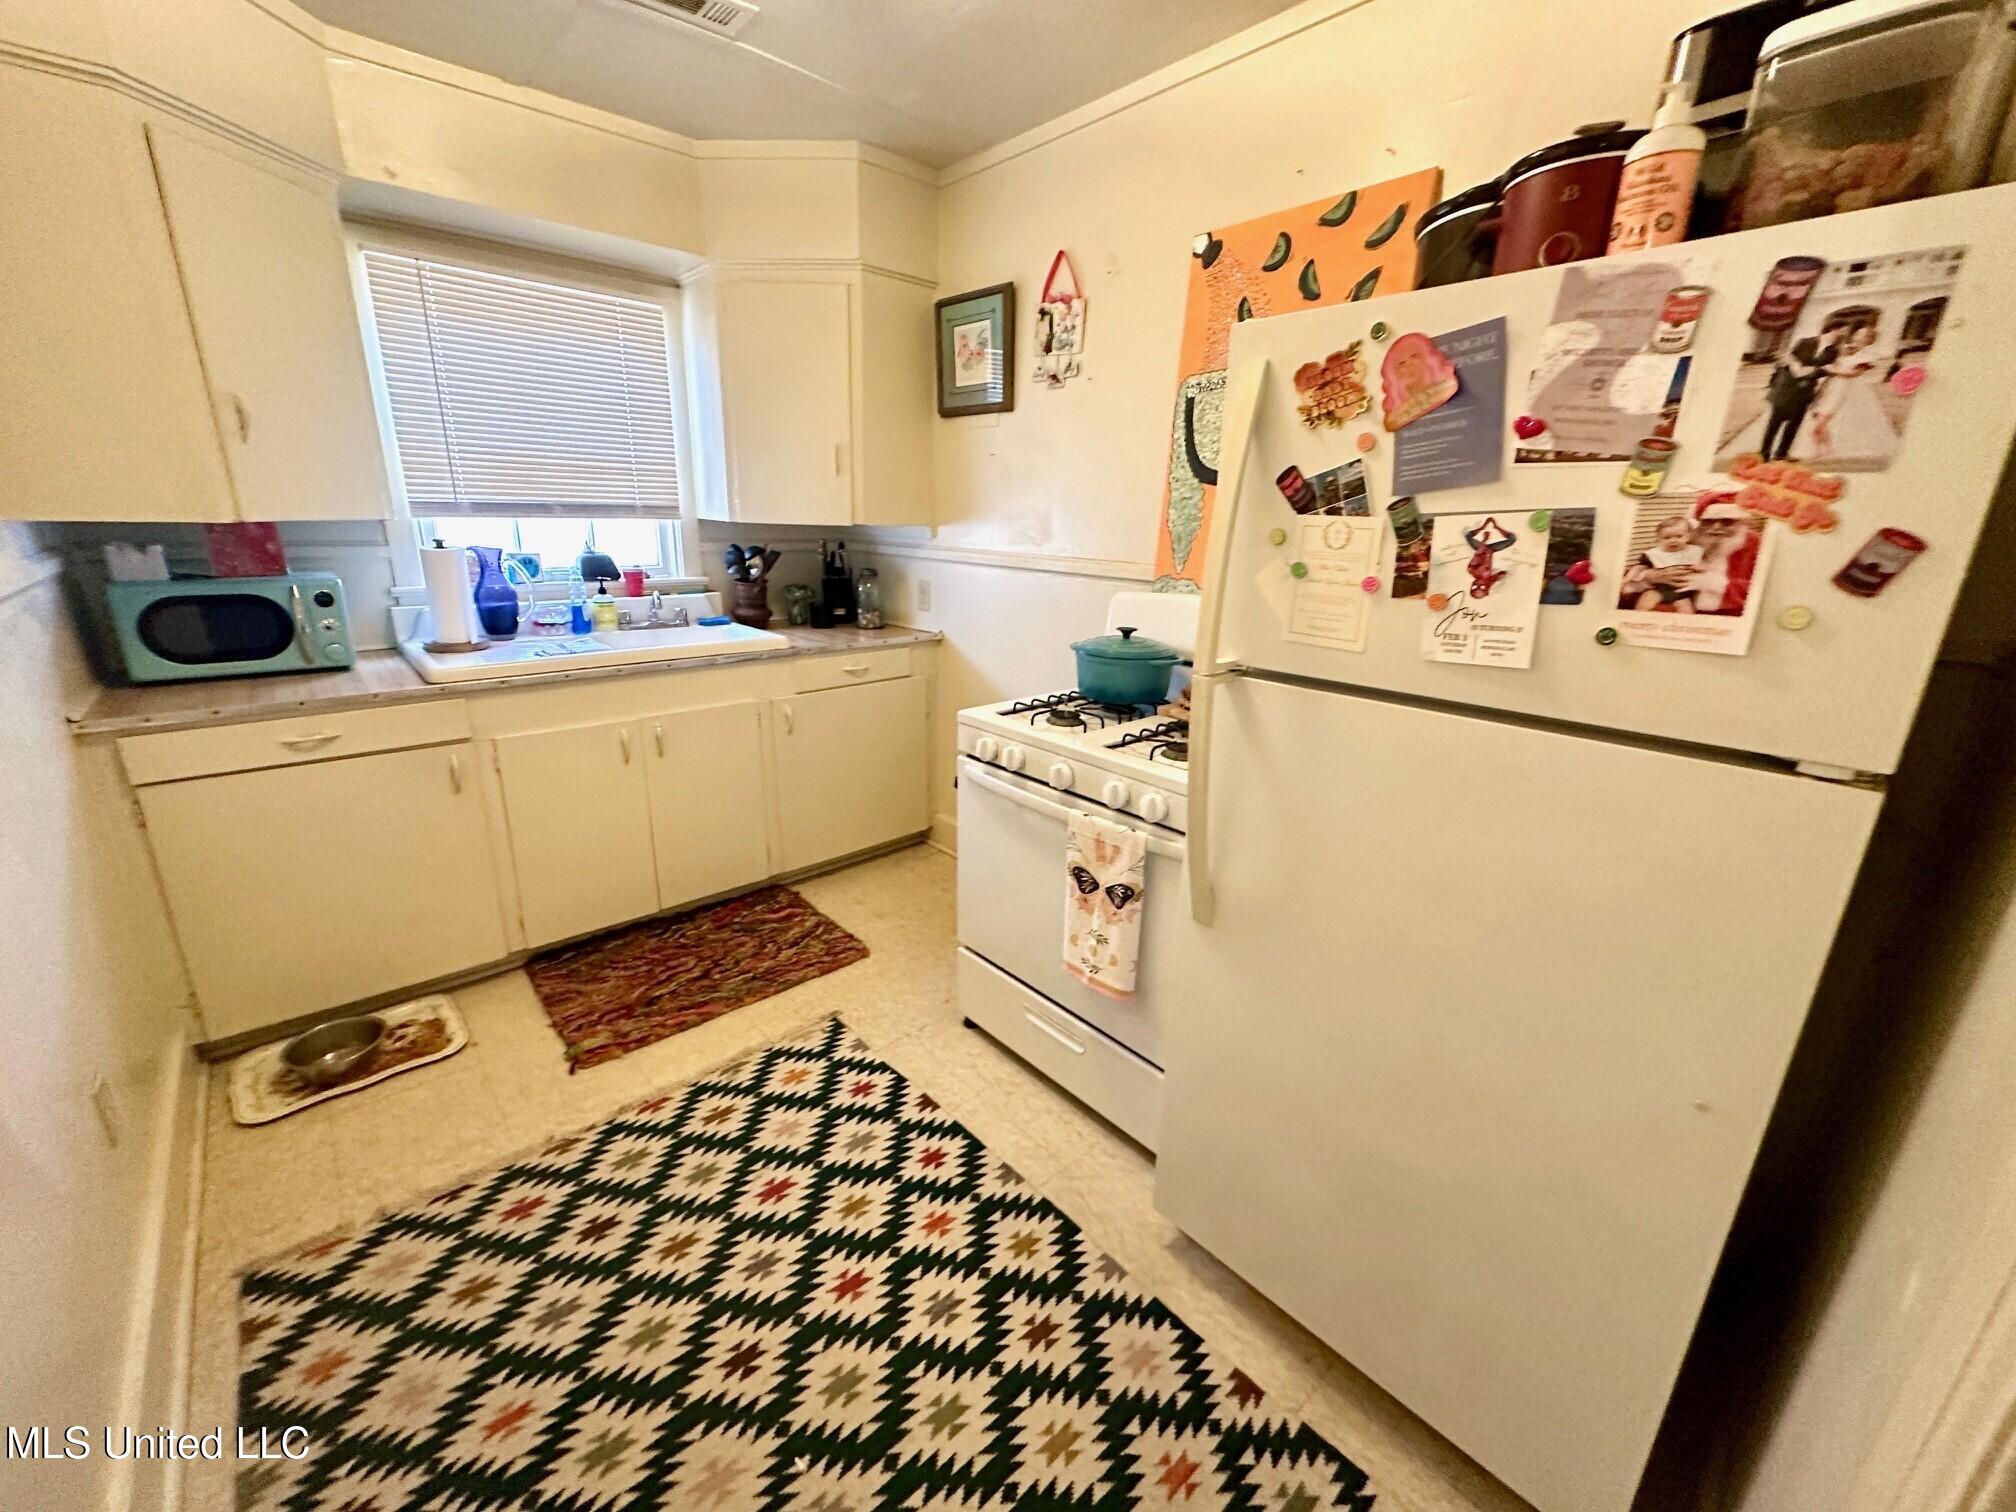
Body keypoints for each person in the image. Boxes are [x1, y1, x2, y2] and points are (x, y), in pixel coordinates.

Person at [1761, 329, 1842, 461]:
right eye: (1838, 331)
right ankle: (1764, 454)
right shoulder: (1805, 342)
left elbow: (1826, 370)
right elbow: (1789, 361)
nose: (1839, 335)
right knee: (1774, 424)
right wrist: (1804, 369)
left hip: (1805, 391)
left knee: (1793, 426)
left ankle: (1781, 454)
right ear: (1829, 330)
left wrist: (1806, 371)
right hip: (1786, 389)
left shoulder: (1833, 352)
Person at [1691, 497, 1760, 615]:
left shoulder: (1755, 544)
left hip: (1736, 614)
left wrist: (1718, 584)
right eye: (1708, 521)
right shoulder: (1689, 542)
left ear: (1740, 523)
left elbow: (1764, 588)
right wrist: (1651, 576)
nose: (1716, 527)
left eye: (1727, 521)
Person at [1623, 514, 1704, 612]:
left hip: (1682, 592)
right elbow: (1639, 567)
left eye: (1679, 536)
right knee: (1645, 601)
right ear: (1659, 539)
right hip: (1659, 589)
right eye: (1667, 538)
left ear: (1688, 536)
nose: (1673, 540)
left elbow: (1706, 567)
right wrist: (1626, 580)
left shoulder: (1695, 551)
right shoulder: (1656, 553)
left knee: (1687, 609)